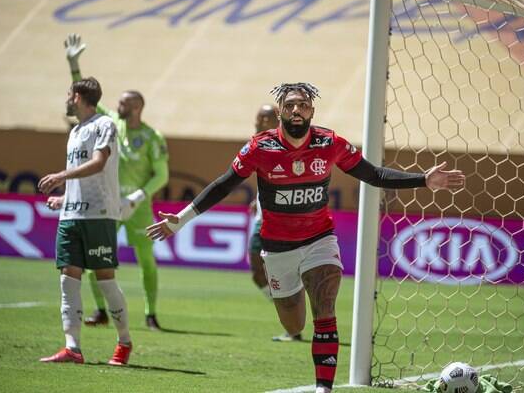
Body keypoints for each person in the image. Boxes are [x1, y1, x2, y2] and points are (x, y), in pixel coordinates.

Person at [146, 83, 465, 392]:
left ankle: (322, 388)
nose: (297, 110)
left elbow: (374, 174)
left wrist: (423, 180)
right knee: (294, 325)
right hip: (277, 248)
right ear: (281, 111)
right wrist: (182, 218)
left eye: (303, 105)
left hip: (319, 240)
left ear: (312, 110)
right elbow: (224, 184)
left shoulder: (330, 143)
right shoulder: (260, 147)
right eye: (290, 105)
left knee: (325, 309)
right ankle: (292, 303)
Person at [64, 34, 169, 330]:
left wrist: (139, 195)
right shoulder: (110, 122)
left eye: (124, 103)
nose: (118, 106)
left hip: (138, 206)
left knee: (147, 261)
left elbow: (162, 174)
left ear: (137, 107)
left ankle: (150, 314)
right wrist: (75, 66)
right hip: (108, 204)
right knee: (98, 260)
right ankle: (101, 310)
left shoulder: (152, 137)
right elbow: (85, 98)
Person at [39, 77, 132, 365]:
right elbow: (83, 179)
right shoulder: (76, 130)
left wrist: (60, 176)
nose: (66, 99)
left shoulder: (104, 124)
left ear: (78, 96)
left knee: (105, 280)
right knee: (68, 279)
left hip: (99, 215)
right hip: (71, 215)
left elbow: (98, 164)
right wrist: (65, 197)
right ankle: (72, 348)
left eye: (69, 94)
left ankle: (124, 341)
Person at [247, 104, 303, 342]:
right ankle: (291, 314)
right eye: (259, 116)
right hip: (263, 216)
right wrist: (257, 199)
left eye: (266, 117)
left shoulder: (285, 144)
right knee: (257, 273)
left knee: (280, 272)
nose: (260, 120)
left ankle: (294, 322)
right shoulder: (258, 144)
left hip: (280, 219)